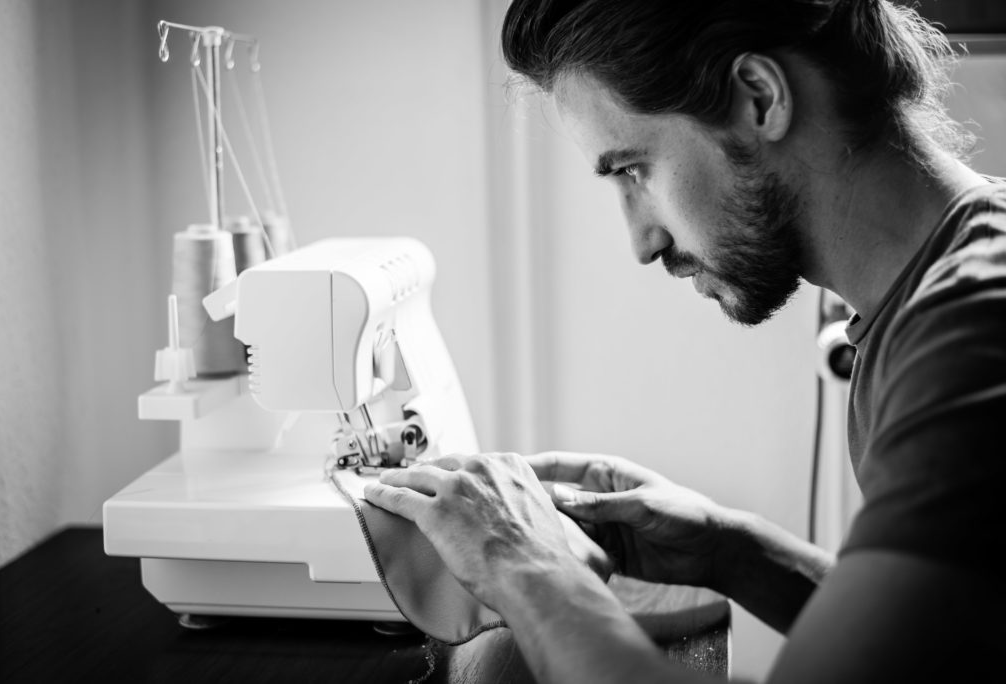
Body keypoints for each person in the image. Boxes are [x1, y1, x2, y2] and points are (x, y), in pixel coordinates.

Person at [365, 1, 1006, 681]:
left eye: (634, 169)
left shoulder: (971, 341)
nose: (643, 242)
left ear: (760, 97)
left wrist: (527, 569)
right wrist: (727, 550)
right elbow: (940, 642)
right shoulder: (943, 287)